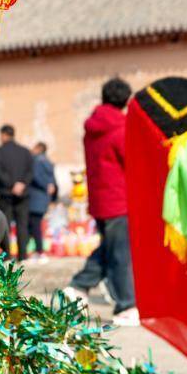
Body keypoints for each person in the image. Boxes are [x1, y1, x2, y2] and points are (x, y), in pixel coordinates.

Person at [66, 78, 137, 325]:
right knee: (120, 254)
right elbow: (132, 160)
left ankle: (79, 287)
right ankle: (125, 306)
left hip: (100, 199)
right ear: (126, 100)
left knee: (110, 248)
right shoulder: (121, 127)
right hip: (119, 199)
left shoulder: (93, 127)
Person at [0, 125, 34, 261]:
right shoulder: (25, 152)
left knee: (5, 225)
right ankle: (23, 256)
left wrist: (11, 185)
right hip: (23, 193)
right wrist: (21, 184)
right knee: (22, 225)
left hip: (5, 194)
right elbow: (30, 171)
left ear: (4, 135)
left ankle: (6, 256)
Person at [26, 142, 57, 261]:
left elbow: (35, 176)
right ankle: (32, 250)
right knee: (35, 225)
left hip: (35, 198)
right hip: (44, 198)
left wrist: (45, 185)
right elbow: (53, 181)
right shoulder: (48, 162)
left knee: (34, 226)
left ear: (39, 148)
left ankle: (39, 251)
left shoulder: (36, 161)